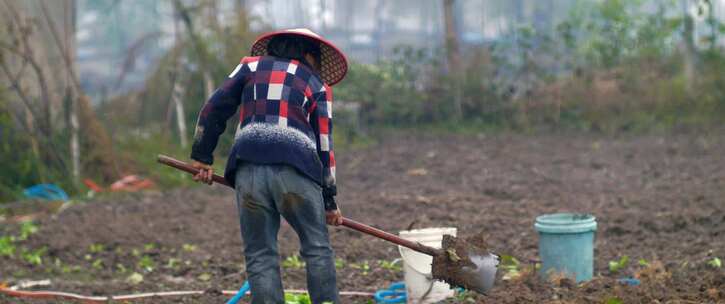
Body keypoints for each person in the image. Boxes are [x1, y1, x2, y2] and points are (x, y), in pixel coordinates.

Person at [188, 28, 347, 304]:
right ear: (308, 54)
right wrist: (329, 202)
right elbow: (324, 146)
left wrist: (202, 156)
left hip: (248, 171)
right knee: (317, 249)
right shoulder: (318, 85)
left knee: (260, 254)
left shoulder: (249, 66)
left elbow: (213, 108)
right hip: (297, 171)